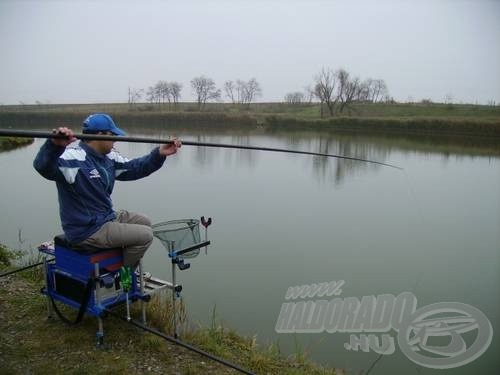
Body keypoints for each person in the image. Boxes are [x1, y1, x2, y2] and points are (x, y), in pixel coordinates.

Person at [33, 113, 181, 269]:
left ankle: (113, 263)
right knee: (145, 236)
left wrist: (159, 154)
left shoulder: (109, 158)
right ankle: (123, 275)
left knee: (144, 221)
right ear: (100, 135)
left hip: (104, 218)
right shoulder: (73, 159)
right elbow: (43, 167)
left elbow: (135, 168)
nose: (116, 139)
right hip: (86, 230)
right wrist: (54, 145)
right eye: (113, 135)